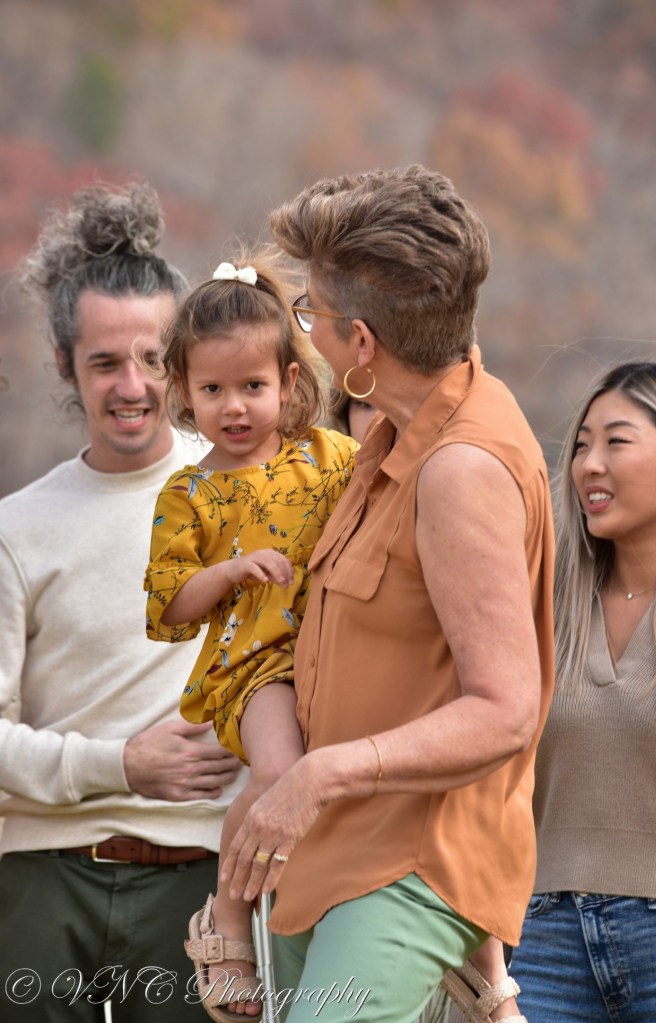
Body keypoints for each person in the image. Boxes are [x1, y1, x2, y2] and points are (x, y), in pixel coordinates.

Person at [217, 164, 555, 1023]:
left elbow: (507, 710)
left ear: (362, 344)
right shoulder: (397, 434)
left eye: (312, 314)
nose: (307, 332)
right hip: (331, 855)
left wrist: (322, 772)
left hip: (408, 865)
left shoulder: (461, 468)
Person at [0, 182, 245, 1023]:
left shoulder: (245, 493)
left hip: (201, 883)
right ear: (65, 365)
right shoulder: (16, 530)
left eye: (152, 357)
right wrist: (121, 765)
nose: (132, 385)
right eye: (105, 362)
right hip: (40, 881)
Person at [143, 251, 358, 1021]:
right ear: (183, 390)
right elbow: (168, 606)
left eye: (252, 387)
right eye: (212, 390)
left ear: (289, 382)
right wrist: (230, 569)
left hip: (335, 652)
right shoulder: (191, 491)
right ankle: (227, 916)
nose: (233, 408)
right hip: (256, 666)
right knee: (278, 771)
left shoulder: (330, 457)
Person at [509, 361, 656, 1023]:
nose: (589, 464)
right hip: (545, 939)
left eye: (617, 441)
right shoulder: (544, 599)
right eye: (581, 445)